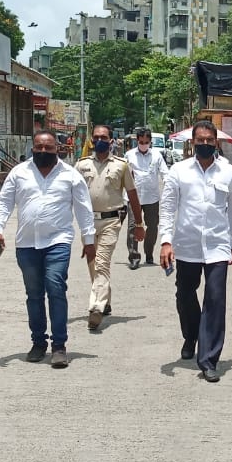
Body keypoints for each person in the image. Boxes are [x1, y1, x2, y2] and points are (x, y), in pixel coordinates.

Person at [0, 131, 96, 368]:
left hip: (58, 241)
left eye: (48, 148)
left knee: (55, 286)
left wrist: (89, 241)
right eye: (39, 147)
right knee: (34, 294)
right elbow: (5, 202)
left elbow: (83, 209)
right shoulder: (19, 173)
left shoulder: (70, 175)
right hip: (26, 244)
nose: (43, 152)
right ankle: (38, 342)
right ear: (32, 148)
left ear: (57, 149)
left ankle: (59, 345)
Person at [159, 121, 232, 383]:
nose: (205, 144)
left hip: (218, 246)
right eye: (201, 140)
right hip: (187, 246)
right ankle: (191, 335)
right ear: (192, 142)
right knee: (185, 295)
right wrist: (165, 240)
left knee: (216, 300)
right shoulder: (179, 171)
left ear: (216, 142)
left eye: (210, 140)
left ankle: (208, 358)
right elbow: (168, 207)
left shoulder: (228, 173)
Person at [75, 124, 145, 330]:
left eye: (104, 137)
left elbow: (133, 196)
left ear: (111, 141)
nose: (99, 141)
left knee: (102, 263)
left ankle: (96, 307)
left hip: (111, 221)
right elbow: (69, 193)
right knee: (92, 263)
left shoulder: (121, 166)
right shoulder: (81, 165)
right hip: (87, 222)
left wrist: (139, 223)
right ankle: (105, 300)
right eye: (96, 137)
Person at [125, 126, 166, 269]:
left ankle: (149, 253)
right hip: (133, 197)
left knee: (153, 227)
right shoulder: (129, 155)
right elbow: (122, 175)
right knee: (132, 227)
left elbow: (164, 174)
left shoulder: (157, 156)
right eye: (141, 142)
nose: (143, 144)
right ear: (137, 141)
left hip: (152, 197)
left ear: (150, 142)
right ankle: (134, 256)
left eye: (146, 142)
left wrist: (170, 187)